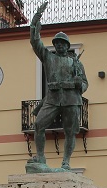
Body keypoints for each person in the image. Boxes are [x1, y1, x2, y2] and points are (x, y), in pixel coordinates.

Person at [27, 1, 88, 173]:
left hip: (71, 99)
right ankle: (40, 157)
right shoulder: (47, 57)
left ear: (68, 46)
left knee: (70, 132)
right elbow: (34, 41)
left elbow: (85, 83)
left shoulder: (76, 63)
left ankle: (66, 162)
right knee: (39, 125)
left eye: (63, 43)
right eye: (57, 43)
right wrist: (36, 21)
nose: (60, 45)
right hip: (53, 98)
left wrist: (78, 83)